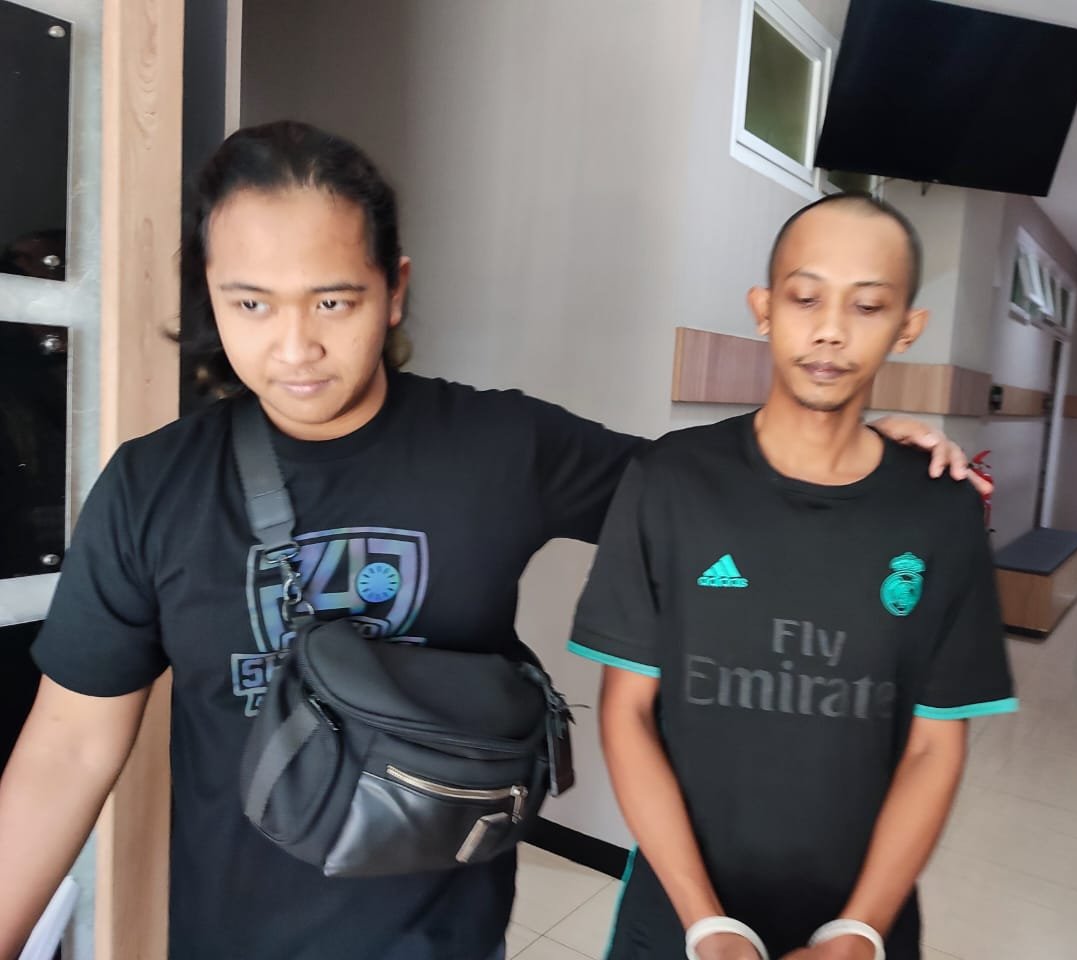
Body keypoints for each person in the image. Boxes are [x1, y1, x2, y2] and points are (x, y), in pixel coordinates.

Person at [0, 122, 978, 960]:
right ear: (210, 295)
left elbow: (721, 498)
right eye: (250, 303)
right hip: (231, 935)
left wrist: (856, 443)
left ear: (394, 289)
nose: (294, 348)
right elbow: (69, 749)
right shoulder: (153, 486)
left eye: (333, 301)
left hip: (445, 938)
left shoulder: (501, 446)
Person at [571, 193, 1018, 960]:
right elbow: (628, 713)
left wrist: (860, 931)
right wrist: (706, 924)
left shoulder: (941, 512)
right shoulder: (671, 481)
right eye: (806, 297)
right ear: (764, 309)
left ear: (907, 327)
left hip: (860, 912)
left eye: (868, 306)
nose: (831, 329)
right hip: (678, 906)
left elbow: (934, 747)